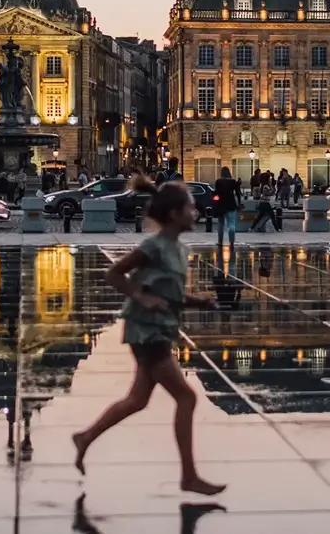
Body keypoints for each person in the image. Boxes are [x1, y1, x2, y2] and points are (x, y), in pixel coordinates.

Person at [71, 175, 225, 496]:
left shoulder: (178, 249)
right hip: (146, 332)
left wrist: (198, 301)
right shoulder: (152, 246)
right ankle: (189, 476)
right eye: (190, 208)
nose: (195, 213)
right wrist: (141, 297)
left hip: (160, 330)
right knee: (186, 397)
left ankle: (85, 437)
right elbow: (113, 274)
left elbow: (169, 293)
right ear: (173, 215)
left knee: (137, 400)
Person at [213, 166, 242, 249]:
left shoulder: (218, 181)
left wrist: (214, 198)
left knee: (221, 224)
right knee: (231, 223)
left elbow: (216, 193)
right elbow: (237, 193)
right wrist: (239, 203)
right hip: (231, 204)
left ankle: (220, 242)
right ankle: (231, 242)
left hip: (221, 204)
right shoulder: (233, 181)